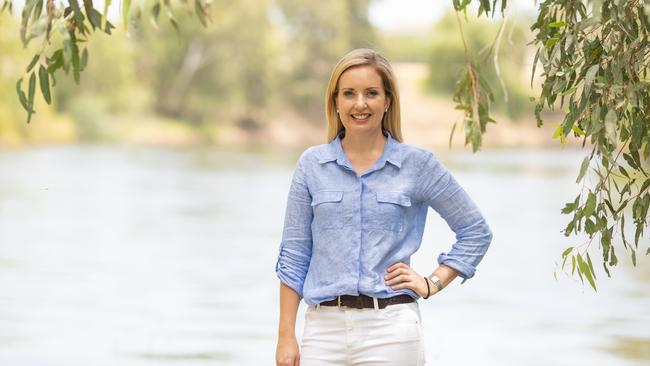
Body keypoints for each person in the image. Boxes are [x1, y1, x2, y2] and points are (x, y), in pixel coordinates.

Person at [275, 48, 493, 366]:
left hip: (391, 331)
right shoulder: (312, 165)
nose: (360, 104)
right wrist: (285, 336)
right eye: (349, 93)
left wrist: (432, 282)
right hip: (322, 332)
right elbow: (294, 256)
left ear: (387, 100)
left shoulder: (417, 165)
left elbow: (476, 231)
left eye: (371, 93)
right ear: (335, 101)